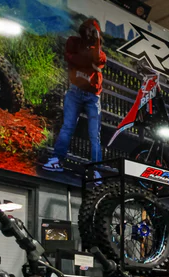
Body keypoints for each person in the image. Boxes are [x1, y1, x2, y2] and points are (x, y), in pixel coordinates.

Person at [44, 19, 106, 175]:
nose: (88, 33)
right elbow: (69, 57)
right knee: (67, 127)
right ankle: (57, 160)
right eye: (87, 29)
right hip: (75, 92)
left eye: (92, 31)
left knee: (94, 136)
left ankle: (96, 171)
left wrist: (97, 42)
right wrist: (88, 63)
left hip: (92, 97)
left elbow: (97, 61)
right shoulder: (73, 42)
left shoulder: (100, 52)